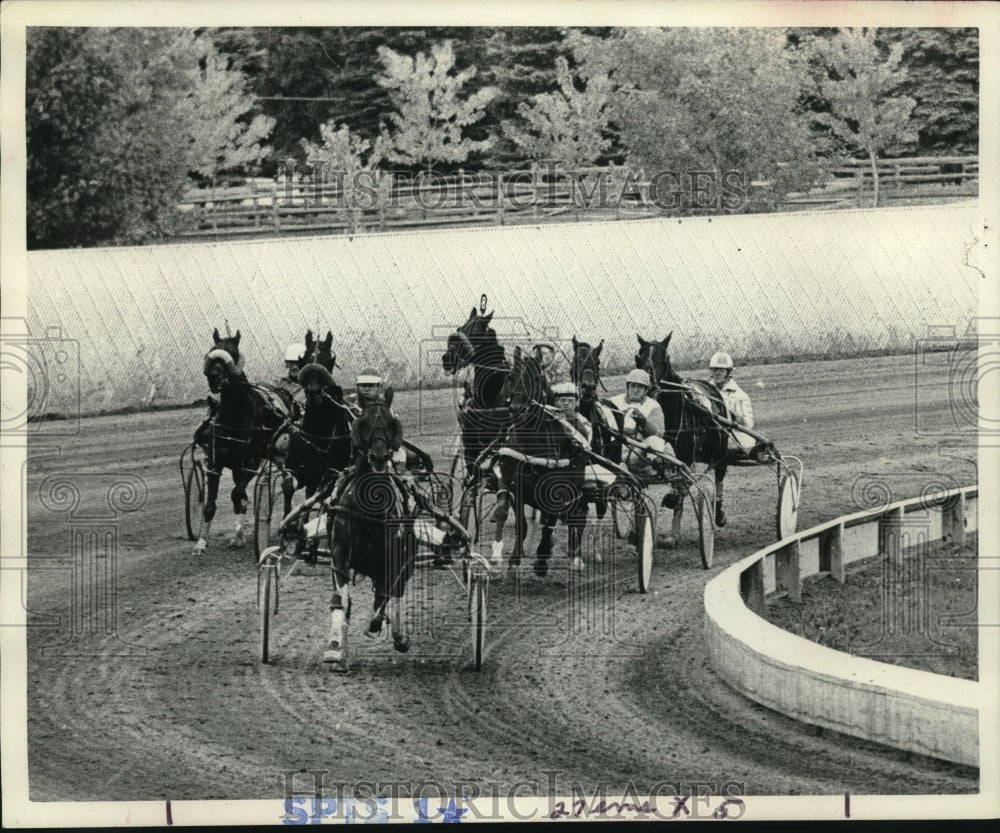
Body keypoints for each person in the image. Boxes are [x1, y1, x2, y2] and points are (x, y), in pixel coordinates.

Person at [328, 367, 413, 510]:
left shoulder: (386, 406)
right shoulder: (347, 405)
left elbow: (395, 431)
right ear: (357, 386)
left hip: (383, 452)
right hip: (353, 453)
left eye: (371, 386)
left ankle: (409, 499)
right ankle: (333, 501)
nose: (366, 389)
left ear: (378, 387)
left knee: (401, 472)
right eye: (363, 386)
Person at [707, 351, 756, 528]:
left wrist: (733, 417)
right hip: (708, 433)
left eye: (721, 370)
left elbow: (749, 422)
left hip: (731, 435)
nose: (717, 373)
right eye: (714, 370)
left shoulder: (739, 395)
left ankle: (718, 497)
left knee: (722, 451)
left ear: (728, 372)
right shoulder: (703, 390)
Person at [608, 369, 669, 477]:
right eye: (632, 386)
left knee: (655, 441)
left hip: (639, 451)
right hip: (617, 448)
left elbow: (659, 433)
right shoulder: (614, 401)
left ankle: (659, 468)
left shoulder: (653, 406)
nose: (635, 390)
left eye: (639, 387)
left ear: (646, 390)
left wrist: (643, 422)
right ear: (628, 387)